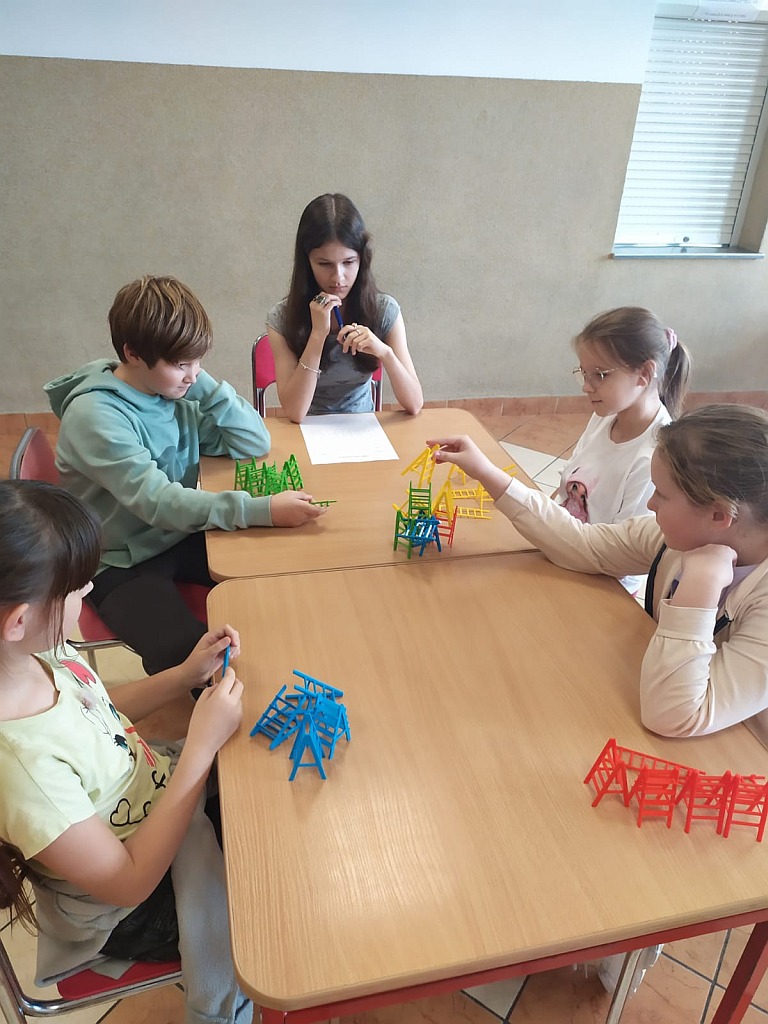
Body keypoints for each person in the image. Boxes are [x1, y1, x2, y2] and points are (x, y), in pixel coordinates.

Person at [430, 404, 768, 995]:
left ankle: (618, 938)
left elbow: (675, 714)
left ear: (720, 515)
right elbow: (584, 546)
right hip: (668, 718)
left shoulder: (727, 575)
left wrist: (698, 590)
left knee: (615, 846)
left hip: (733, 764)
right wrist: (489, 473)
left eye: (662, 495)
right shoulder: (689, 535)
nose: (650, 505)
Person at [0, 478, 251, 1024]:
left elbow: (94, 708)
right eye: (76, 588)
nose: (90, 591)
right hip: (127, 906)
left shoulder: (34, 654)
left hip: (150, 796)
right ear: (18, 620)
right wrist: (200, 747)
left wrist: (182, 676)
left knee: (261, 787)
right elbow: (130, 880)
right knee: (272, 884)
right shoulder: (22, 770)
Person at [45, 275, 325, 677]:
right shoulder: (95, 417)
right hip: (116, 560)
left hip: (175, 533)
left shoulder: (171, 391)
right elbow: (159, 503)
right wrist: (261, 509)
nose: (193, 375)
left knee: (278, 576)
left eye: (198, 362)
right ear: (133, 353)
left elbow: (253, 441)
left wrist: (201, 383)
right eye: (181, 364)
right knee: (197, 662)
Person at [558, 307, 691, 594]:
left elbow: (621, 554)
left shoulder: (656, 454)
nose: (586, 386)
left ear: (644, 374)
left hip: (604, 581)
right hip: (567, 549)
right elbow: (567, 487)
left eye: (599, 375)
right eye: (583, 373)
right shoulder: (605, 415)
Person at [266, 193, 423, 421]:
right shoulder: (281, 318)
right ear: (307, 262)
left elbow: (415, 404)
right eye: (324, 264)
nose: (338, 277)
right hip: (306, 429)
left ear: (362, 259)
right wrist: (318, 334)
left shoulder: (384, 310)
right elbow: (295, 412)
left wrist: (385, 353)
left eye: (349, 262)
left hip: (363, 427)